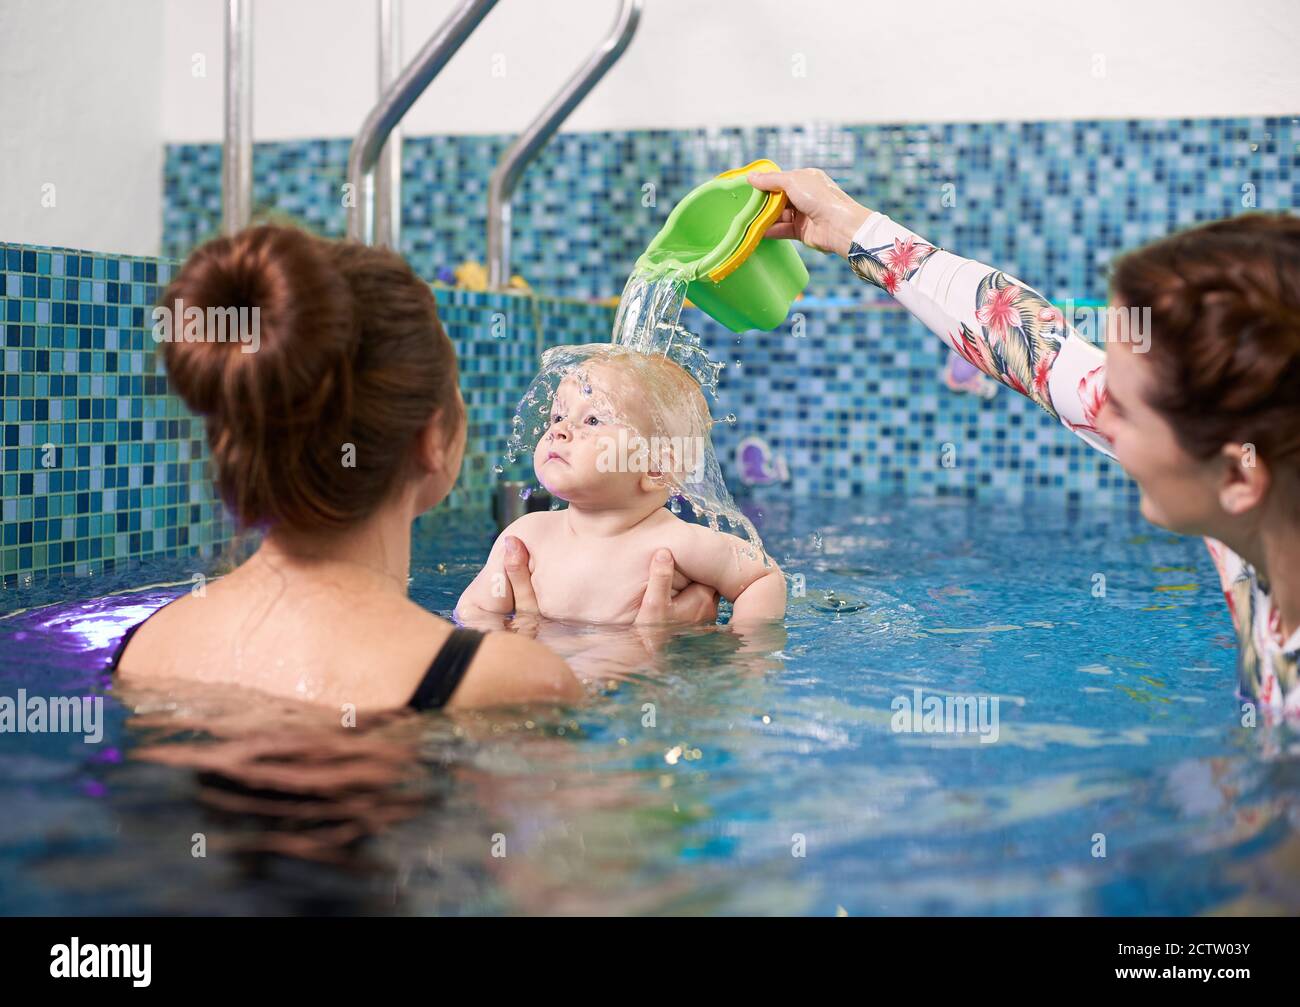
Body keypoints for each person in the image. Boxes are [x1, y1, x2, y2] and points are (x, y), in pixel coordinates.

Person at [748, 167, 1300, 718]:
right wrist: (847, 223)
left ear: (1237, 477)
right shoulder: (1263, 494)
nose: (1097, 413)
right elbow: (1036, 347)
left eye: (1124, 409)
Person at [111, 226, 709, 711]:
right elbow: (602, 851)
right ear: (432, 439)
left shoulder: (145, 644)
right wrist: (641, 655)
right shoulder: (496, 683)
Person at [456, 347, 786, 624]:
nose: (560, 431)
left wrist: (743, 653)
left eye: (593, 420)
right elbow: (473, 612)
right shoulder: (525, 537)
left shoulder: (676, 542)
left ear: (657, 466)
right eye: (557, 417)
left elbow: (763, 579)